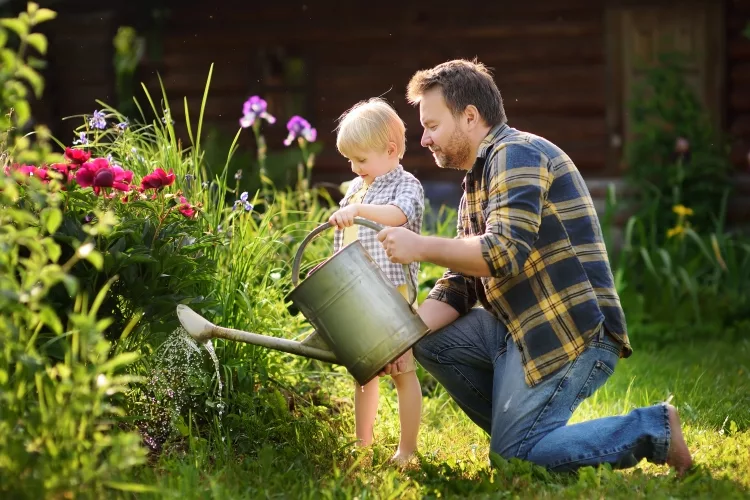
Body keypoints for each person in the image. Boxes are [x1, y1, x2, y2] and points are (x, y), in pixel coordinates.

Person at [376, 59, 693, 475]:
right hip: (517, 330)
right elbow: (461, 285)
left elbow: (503, 252)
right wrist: (398, 338)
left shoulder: (517, 153)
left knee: (513, 459)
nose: (424, 139)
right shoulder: (476, 181)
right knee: (428, 340)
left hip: (568, 331)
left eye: (432, 125)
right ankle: (531, 434)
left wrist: (419, 247)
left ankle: (653, 427)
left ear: (470, 116)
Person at [327, 97, 425, 464]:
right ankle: (363, 443)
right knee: (363, 374)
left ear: (391, 149)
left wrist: (357, 211)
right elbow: (347, 240)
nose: (355, 168)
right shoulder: (357, 188)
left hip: (392, 297)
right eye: (350, 161)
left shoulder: (406, 185)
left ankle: (407, 450)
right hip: (358, 297)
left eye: (361, 160)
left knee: (402, 372)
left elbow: (399, 216)